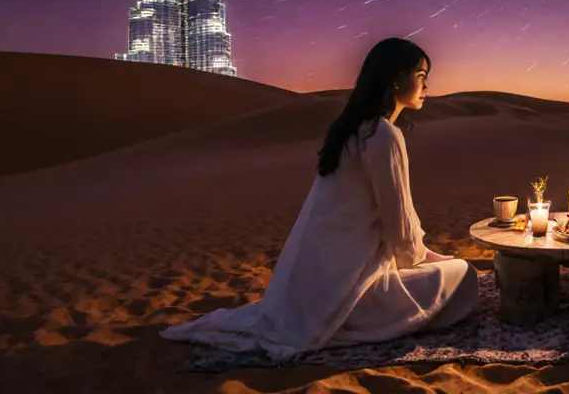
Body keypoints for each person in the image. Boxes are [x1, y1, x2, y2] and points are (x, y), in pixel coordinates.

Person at [161, 38, 479, 359]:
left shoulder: (352, 128)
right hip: (346, 294)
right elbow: (402, 233)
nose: (427, 85)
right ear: (396, 78)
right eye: (421, 75)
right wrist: (437, 260)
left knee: (444, 268)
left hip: (310, 288)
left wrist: (423, 256)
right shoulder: (381, 135)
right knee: (464, 275)